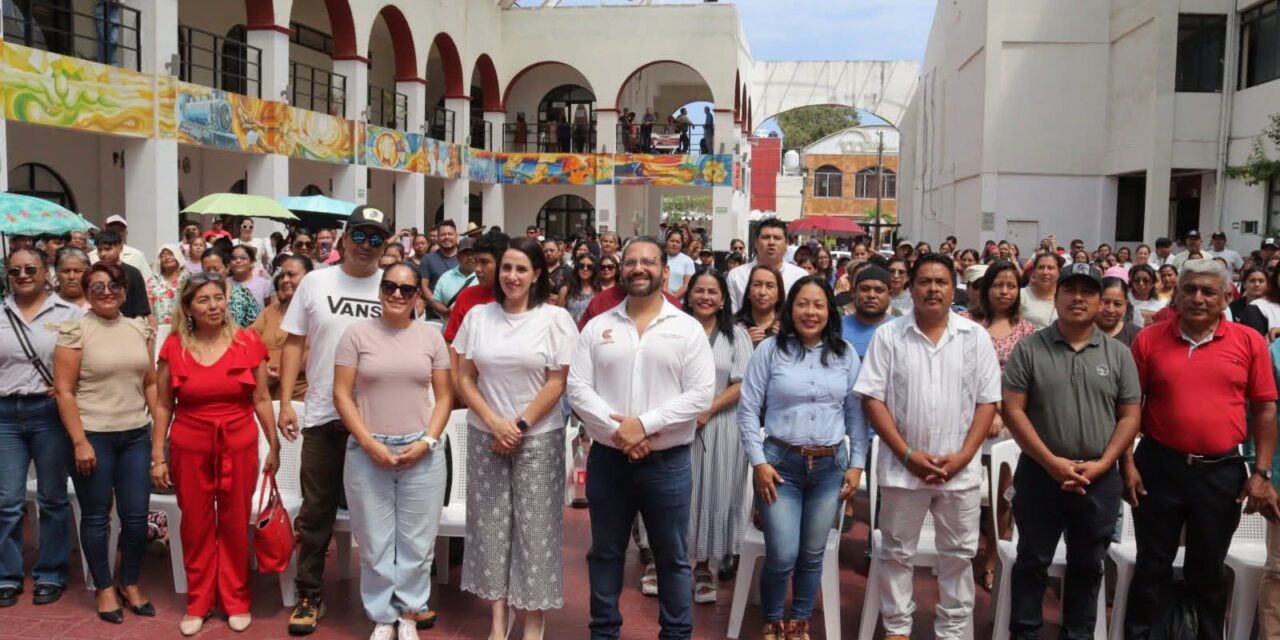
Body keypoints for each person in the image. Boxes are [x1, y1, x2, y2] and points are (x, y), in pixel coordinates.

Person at [568, 237, 715, 640]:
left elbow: (701, 394)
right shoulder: (599, 326)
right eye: (631, 261)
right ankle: (604, 633)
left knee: (672, 559)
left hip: (667, 465)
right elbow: (578, 389)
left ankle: (676, 634)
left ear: (665, 272)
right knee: (605, 554)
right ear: (620, 269)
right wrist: (623, 432)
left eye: (648, 262)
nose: (639, 268)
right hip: (609, 461)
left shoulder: (686, 329)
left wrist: (644, 425)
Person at [1124, 259, 1279, 639]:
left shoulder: (1249, 341)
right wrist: (1126, 461)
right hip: (1158, 466)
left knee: (1208, 570)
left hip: (1221, 471)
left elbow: (1265, 408)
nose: (1197, 298)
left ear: (1227, 296)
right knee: (1152, 567)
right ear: (1176, 294)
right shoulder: (1149, 339)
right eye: (1189, 290)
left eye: (1208, 292)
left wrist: (1261, 472)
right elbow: (1128, 406)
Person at [854, 252, 1002, 640]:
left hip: (960, 470)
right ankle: (898, 629)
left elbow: (988, 401)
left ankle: (952, 632)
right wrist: (907, 455)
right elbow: (872, 399)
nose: (933, 288)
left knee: (958, 556)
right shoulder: (889, 335)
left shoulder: (975, 337)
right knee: (896, 553)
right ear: (911, 287)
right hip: (903, 468)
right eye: (925, 281)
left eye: (941, 282)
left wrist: (964, 457)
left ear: (954, 289)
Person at [1000, 263, 1141, 639]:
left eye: (1088, 292)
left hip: (1099, 477)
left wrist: (1104, 464)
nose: (1078, 298)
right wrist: (1052, 463)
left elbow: (1130, 416)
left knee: (1088, 564)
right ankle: (1025, 633)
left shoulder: (1118, 354)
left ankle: (1078, 634)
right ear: (1057, 296)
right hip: (1040, 473)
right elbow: (1012, 410)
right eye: (1070, 290)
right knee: (1032, 561)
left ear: (1100, 300)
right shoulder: (1029, 348)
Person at [277, 206, 398, 635]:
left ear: (386, 244)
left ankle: (388, 599)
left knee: (382, 515)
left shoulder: (395, 286)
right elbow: (294, 342)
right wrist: (290, 402)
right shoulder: (315, 282)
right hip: (324, 416)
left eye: (376, 239)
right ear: (344, 238)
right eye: (360, 236)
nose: (367, 246)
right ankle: (310, 594)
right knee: (315, 514)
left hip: (379, 421)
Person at [455, 237, 577, 640]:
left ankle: (534, 620)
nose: (512, 276)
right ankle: (497, 618)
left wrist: (519, 426)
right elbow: (465, 376)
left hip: (538, 437)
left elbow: (557, 381)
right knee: (489, 526)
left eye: (521, 269)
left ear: (537, 273)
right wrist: (494, 422)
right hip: (485, 434)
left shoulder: (554, 320)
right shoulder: (478, 317)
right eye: (506, 268)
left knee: (536, 529)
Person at [737, 276, 866, 640]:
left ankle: (800, 621)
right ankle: (773, 618)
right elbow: (747, 410)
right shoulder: (770, 351)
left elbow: (856, 416)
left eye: (819, 305)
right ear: (790, 308)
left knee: (812, 553)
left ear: (830, 310)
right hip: (779, 466)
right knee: (782, 552)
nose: (811, 312)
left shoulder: (844, 354)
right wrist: (758, 462)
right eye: (803, 304)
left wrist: (856, 465)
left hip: (830, 467)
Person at [151, 273, 277, 635]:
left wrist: (275, 445)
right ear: (188, 307)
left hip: (238, 440)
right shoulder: (173, 346)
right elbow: (162, 406)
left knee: (236, 521)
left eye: (218, 298)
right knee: (195, 524)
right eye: (203, 300)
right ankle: (199, 601)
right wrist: (158, 455)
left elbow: (262, 398)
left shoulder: (247, 341)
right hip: (190, 442)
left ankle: (236, 599)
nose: (213, 306)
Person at [333, 262, 452, 640]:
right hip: (368, 451)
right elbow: (341, 394)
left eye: (406, 289)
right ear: (380, 290)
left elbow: (446, 396)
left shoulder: (432, 338)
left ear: (419, 295)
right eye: (390, 287)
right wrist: (369, 443)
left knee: (418, 542)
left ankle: (409, 614)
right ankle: (383, 615)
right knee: (374, 540)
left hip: (422, 450)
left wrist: (428, 441)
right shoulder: (355, 335)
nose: (397, 295)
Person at [52, 262, 157, 624]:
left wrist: (158, 428)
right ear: (86, 292)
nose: (107, 292)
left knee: (136, 516)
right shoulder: (75, 331)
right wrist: (80, 441)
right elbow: (64, 391)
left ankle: (129, 581)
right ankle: (103, 586)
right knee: (97, 517)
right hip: (93, 435)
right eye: (97, 287)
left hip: (135, 435)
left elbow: (151, 383)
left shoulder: (139, 328)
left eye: (113, 285)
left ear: (125, 291)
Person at [0, 249, 82, 608]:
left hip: (50, 412)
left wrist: (70, 387)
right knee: (7, 501)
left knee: (52, 498)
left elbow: (83, 360)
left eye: (30, 268)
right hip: (5, 414)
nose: (23, 275)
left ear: (45, 271)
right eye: (14, 270)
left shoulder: (68, 313)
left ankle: (51, 572)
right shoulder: (1, 311)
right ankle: (7, 575)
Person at [681, 271, 754, 605]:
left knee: (714, 494)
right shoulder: (673, 330)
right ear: (689, 294)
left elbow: (741, 384)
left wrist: (707, 411)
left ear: (724, 299)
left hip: (722, 426)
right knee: (678, 494)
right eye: (699, 290)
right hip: (677, 425)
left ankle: (704, 568)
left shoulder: (737, 336)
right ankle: (667, 564)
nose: (706, 297)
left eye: (713, 292)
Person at [250, 255, 313, 401]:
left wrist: (280, 371)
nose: (284, 280)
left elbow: (312, 352)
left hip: (299, 396)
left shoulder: (316, 313)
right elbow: (247, 340)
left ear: (309, 278)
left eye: (291, 275)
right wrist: (261, 369)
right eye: (282, 275)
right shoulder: (270, 311)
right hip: (264, 394)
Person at [443, 230, 510, 343]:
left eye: (484, 262)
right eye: (476, 262)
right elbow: (451, 342)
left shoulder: (522, 298)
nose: (477, 269)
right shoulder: (466, 296)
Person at [726, 219, 808, 313]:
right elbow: (732, 316)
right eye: (765, 237)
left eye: (777, 238)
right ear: (756, 242)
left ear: (786, 244)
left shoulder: (800, 276)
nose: (771, 243)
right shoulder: (736, 276)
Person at [91, 229, 153, 326]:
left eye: (107, 249)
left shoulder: (133, 273)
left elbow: (140, 309)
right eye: (99, 250)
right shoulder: (94, 273)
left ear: (120, 248)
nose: (103, 254)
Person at [840, 265, 895, 359]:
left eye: (879, 290)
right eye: (865, 289)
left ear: (889, 295)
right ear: (853, 292)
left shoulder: (900, 330)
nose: (871, 295)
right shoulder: (836, 327)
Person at [201, 248, 261, 328]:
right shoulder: (195, 294)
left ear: (227, 268)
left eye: (216, 269)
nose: (212, 273)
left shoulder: (242, 294)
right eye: (207, 270)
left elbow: (255, 325)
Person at [89, 215, 155, 283]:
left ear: (126, 233)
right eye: (112, 229)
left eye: (120, 230)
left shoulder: (137, 255)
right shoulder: (91, 256)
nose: (116, 232)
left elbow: (149, 282)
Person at [734, 265, 784, 347]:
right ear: (748, 291)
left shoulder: (788, 326)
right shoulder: (733, 324)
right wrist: (743, 344)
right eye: (757, 285)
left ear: (779, 294)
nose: (762, 292)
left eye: (770, 286)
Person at [429, 239, 478, 321]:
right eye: (465, 254)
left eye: (473, 254)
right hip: (451, 328)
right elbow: (435, 301)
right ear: (458, 257)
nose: (470, 257)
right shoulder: (446, 277)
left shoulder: (485, 277)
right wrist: (447, 312)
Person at [148, 245, 188, 325]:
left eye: (170, 254)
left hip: (183, 323)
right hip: (159, 324)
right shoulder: (153, 279)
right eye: (162, 256)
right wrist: (151, 318)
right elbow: (148, 300)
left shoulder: (186, 277)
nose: (167, 257)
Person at [1020, 252, 1061, 329]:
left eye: (1050, 268)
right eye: (1041, 267)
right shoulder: (1020, 295)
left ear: (1059, 272)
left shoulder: (1065, 298)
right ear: (1034, 272)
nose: (1045, 272)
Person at [1097, 276, 1142, 345]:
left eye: (1117, 304)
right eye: (1105, 302)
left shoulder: (1137, 335)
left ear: (1126, 305)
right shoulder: (1080, 332)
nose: (1110, 310)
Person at [560, 252, 601, 324]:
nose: (585, 269)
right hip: (570, 332)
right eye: (581, 266)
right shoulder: (566, 290)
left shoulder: (599, 291)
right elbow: (558, 317)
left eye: (589, 267)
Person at [664, 229, 697, 299]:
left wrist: (672, 299)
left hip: (678, 301)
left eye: (677, 242)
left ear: (682, 244)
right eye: (672, 241)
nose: (674, 244)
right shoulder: (659, 257)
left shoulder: (687, 261)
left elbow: (687, 284)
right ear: (667, 242)